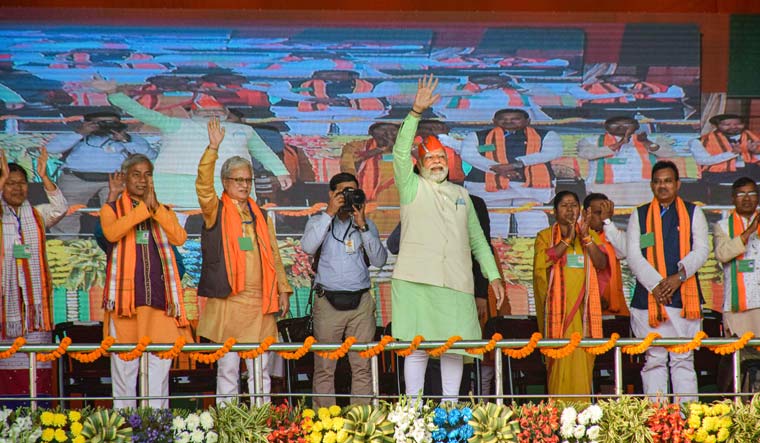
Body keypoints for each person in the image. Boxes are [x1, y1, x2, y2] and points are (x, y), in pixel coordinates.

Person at [391, 75, 505, 403]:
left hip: (456, 283)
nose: (438, 162)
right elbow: (400, 154)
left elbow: (478, 241)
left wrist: (493, 276)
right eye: (431, 158)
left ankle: (450, 412)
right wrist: (415, 112)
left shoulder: (462, 195)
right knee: (417, 348)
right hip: (415, 281)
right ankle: (411, 415)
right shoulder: (411, 187)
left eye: (442, 158)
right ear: (421, 164)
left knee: (455, 348)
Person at [196, 117, 292, 404]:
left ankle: (258, 421)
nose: (244, 185)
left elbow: (274, 254)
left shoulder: (260, 213)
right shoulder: (216, 209)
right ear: (225, 182)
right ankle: (228, 422)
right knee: (227, 367)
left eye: (248, 180)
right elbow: (202, 186)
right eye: (238, 180)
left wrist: (283, 289)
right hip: (230, 300)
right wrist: (213, 149)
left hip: (259, 302)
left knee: (260, 368)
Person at [89, 75, 292, 209]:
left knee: (232, 234)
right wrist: (113, 93)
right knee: (173, 235)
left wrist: (281, 171)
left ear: (226, 113)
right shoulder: (175, 124)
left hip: (225, 186)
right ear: (193, 112)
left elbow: (263, 152)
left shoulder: (243, 130)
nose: (211, 114)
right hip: (176, 187)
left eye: (216, 111)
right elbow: (141, 112)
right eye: (205, 111)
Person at [99, 153, 192, 409]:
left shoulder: (162, 210)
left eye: (147, 174)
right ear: (125, 178)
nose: (142, 180)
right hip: (126, 305)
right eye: (136, 174)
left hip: (160, 304)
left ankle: (155, 432)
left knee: (158, 374)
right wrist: (143, 210)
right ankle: (124, 431)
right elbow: (112, 232)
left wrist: (156, 210)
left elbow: (179, 237)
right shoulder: (111, 210)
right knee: (125, 374)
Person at [300, 172, 387, 407]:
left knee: (362, 366)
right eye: (343, 192)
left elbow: (379, 261)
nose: (348, 197)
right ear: (331, 194)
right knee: (325, 367)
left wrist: (363, 226)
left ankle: (361, 419)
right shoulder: (318, 221)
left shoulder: (365, 224)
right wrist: (329, 213)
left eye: (353, 192)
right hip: (327, 301)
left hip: (360, 303)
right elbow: (308, 247)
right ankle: (325, 422)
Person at [625, 160, 709, 403]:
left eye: (668, 181)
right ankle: (657, 420)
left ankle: (686, 419)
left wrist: (678, 277)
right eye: (658, 181)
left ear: (677, 184)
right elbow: (633, 255)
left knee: (683, 359)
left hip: (684, 297)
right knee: (654, 359)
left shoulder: (694, 212)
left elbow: (702, 250)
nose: (663, 186)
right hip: (648, 299)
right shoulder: (639, 214)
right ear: (652, 185)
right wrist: (657, 286)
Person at [0, 148, 67, 400]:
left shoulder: (36, 215)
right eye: (10, 183)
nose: (17, 188)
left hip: (34, 309)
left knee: (37, 367)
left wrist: (43, 176)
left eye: (21, 183)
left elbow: (60, 207)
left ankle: (39, 419)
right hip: (5, 309)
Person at [533, 191, 608, 399]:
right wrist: (567, 240)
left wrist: (585, 239)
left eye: (573, 205)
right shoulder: (545, 237)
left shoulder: (589, 234)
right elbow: (542, 264)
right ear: (554, 211)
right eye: (564, 205)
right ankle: (559, 420)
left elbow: (602, 264)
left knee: (581, 371)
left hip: (583, 318)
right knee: (559, 373)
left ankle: (583, 420)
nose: (569, 209)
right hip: (558, 319)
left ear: (580, 210)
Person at [46, 111, 155, 234]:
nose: (106, 126)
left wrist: (125, 139)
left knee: (119, 213)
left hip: (115, 180)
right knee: (66, 213)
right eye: (101, 123)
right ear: (87, 123)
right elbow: (51, 149)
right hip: (76, 178)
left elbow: (149, 155)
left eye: (112, 123)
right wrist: (80, 133)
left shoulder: (130, 138)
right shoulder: (77, 136)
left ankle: (119, 244)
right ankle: (65, 244)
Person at [460, 108, 562, 237]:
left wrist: (517, 164)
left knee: (532, 219)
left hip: (530, 189)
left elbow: (552, 152)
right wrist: (496, 168)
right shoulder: (476, 135)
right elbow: (468, 155)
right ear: (494, 121)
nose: (509, 122)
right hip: (488, 187)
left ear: (528, 121)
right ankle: (496, 251)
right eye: (503, 119)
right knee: (493, 221)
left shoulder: (547, 135)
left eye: (515, 119)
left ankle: (530, 251)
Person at [577, 116, 676, 205]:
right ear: (606, 126)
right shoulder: (591, 140)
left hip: (642, 188)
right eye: (616, 124)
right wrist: (620, 143)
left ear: (635, 126)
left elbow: (668, 153)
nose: (621, 126)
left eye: (626, 123)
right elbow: (586, 154)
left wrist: (646, 142)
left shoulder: (652, 138)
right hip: (605, 188)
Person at [713, 177, 760, 361]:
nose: (746, 198)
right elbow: (722, 254)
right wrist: (749, 232)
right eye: (741, 194)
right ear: (733, 198)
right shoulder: (722, 226)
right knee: (742, 363)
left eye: (751, 193)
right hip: (737, 307)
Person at [269, 70, 395, 135]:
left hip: (357, 128)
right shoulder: (302, 84)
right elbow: (276, 90)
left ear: (351, 75)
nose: (331, 76)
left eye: (337, 73)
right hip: (310, 130)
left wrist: (349, 100)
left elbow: (391, 88)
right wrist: (313, 100)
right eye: (326, 73)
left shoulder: (369, 85)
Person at [583, 193, 630, 316]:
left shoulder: (613, 234)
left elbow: (624, 251)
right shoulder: (576, 238)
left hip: (616, 311)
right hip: (585, 310)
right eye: (598, 213)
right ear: (585, 214)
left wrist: (608, 221)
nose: (602, 217)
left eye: (606, 213)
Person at [688, 114, 760, 186]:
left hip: (751, 173)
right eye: (727, 124)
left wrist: (756, 153)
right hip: (718, 176)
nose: (733, 127)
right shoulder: (699, 141)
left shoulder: (755, 138)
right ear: (716, 125)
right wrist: (732, 153)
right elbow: (703, 161)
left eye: (738, 124)